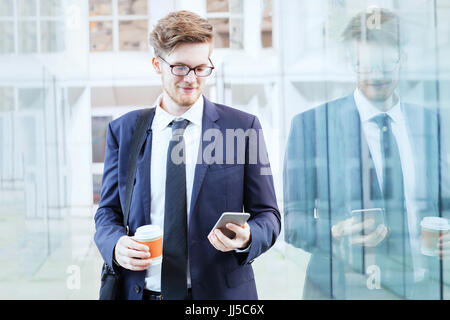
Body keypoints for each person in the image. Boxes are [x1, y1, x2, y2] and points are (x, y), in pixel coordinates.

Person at [94, 10, 280, 300]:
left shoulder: (243, 128)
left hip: (218, 296)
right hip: (142, 293)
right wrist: (115, 245)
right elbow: (108, 212)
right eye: (180, 67)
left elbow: (268, 215)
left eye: (201, 68)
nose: (191, 79)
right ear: (158, 64)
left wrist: (249, 237)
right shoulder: (124, 131)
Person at [283, 7, 444, 299]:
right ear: (350, 62)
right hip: (344, 289)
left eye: (384, 64)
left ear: (402, 60)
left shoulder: (431, 123)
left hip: (424, 288)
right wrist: (334, 232)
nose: (375, 75)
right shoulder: (311, 126)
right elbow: (294, 225)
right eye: (364, 65)